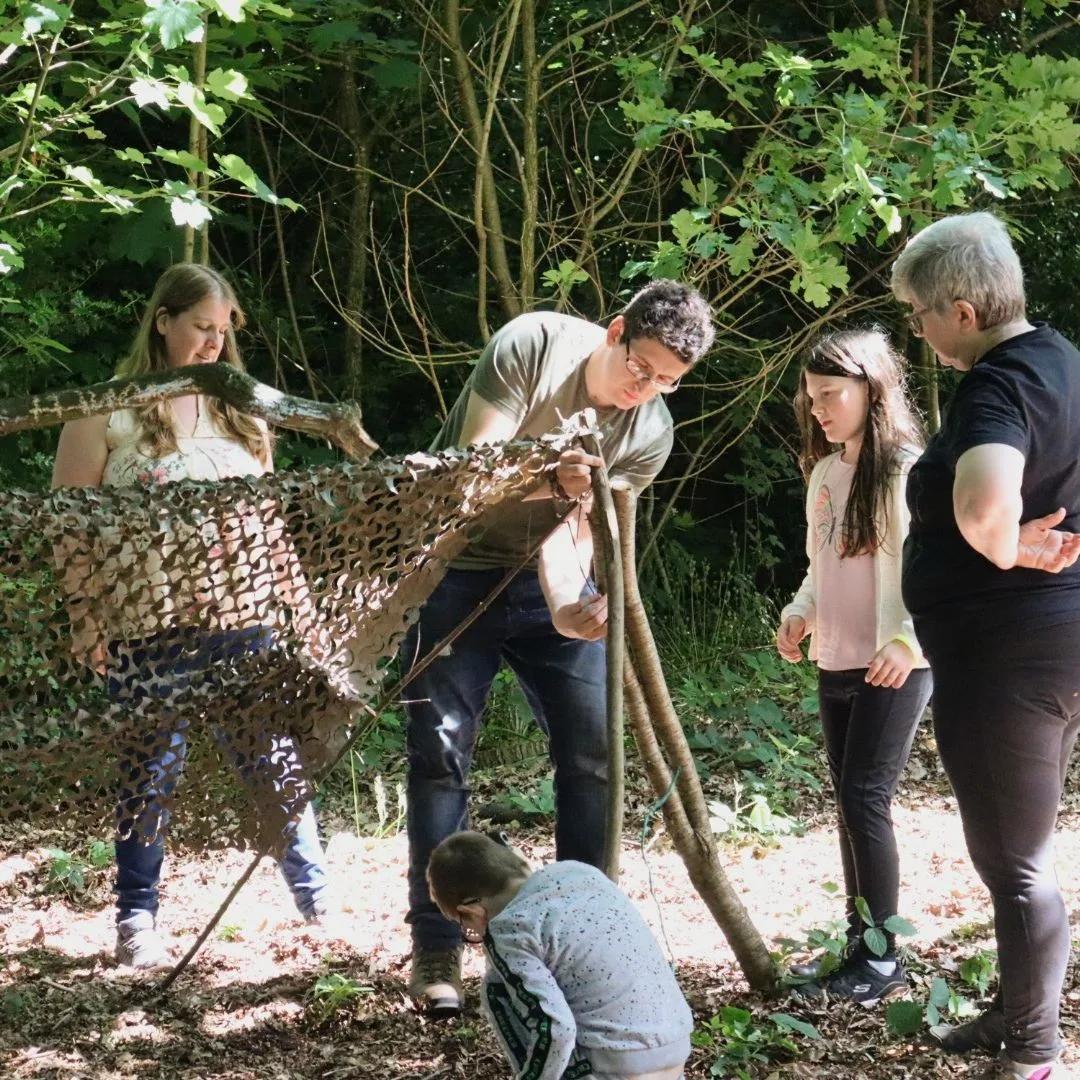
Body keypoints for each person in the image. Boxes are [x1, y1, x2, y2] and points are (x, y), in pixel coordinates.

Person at [402, 280, 715, 1015]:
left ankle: (581, 934)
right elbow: (469, 471)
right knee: (439, 755)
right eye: (640, 368)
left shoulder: (650, 433)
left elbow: (578, 535)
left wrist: (573, 607)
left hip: (544, 579)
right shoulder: (534, 347)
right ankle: (439, 946)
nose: (646, 389)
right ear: (615, 330)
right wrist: (549, 475)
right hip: (453, 566)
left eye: (667, 381)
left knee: (593, 752)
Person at [51, 263, 334, 970]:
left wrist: (297, 604)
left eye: (222, 330)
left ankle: (318, 901)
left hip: (243, 619)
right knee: (149, 772)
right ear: (163, 321)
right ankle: (137, 919)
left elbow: (269, 521)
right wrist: (86, 616)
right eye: (201, 327)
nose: (213, 342)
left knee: (271, 761)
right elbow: (67, 525)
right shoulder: (106, 409)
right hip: (146, 624)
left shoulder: (244, 410)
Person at [892, 211, 1080, 1080]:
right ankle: (1014, 1011)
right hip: (1044, 643)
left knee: (1014, 860)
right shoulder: (1064, 362)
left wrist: (1008, 547)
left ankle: (1034, 1051)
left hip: (1007, 652)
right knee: (1015, 843)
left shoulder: (1000, 381)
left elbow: (983, 503)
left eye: (921, 314)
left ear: (963, 311)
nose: (920, 332)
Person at [775, 328, 932, 1005]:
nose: (818, 409)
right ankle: (858, 943)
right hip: (835, 659)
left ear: (872, 390)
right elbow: (821, 566)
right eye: (811, 397)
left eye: (831, 395)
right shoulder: (825, 474)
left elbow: (933, 571)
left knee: (865, 798)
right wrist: (799, 613)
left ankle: (881, 957)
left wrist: (908, 640)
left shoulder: (906, 471)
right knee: (848, 802)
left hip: (894, 664)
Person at [427, 831, 693, 1080]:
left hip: (615, 1066)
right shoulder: (580, 872)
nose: (473, 934)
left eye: (467, 928)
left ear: (473, 911)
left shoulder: (510, 928)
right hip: (675, 1049)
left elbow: (556, 1029)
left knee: (495, 987)